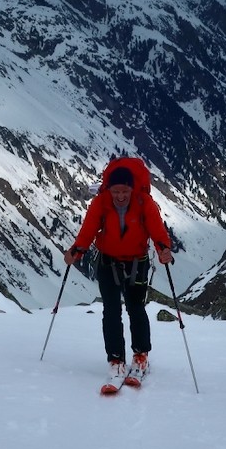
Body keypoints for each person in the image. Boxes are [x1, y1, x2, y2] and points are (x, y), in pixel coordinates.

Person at [64, 159, 174, 391]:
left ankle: (140, 355)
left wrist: (164, 249)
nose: (120, 196)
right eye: (116, 191)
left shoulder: (145, 203)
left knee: (135, 308)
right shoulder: (100, 203)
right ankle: (116, 359)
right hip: (108, 262)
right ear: (108, 189)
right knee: (112, 310)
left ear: (132, 189)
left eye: (124, 191)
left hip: (136, 263)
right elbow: (89, 230)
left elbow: (157, 231)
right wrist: (77, 250)